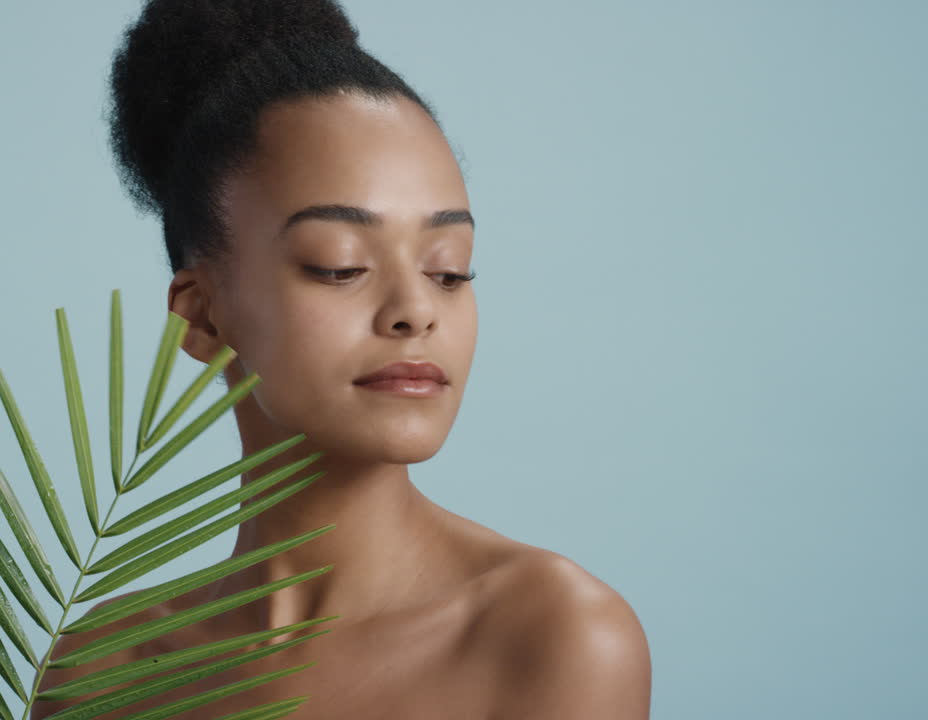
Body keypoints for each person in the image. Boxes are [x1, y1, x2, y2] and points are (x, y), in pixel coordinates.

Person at [35, 1, 651, 718]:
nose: (416, 310)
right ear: (201, 315)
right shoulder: (99, 669)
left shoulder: (554, 637)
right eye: (339, 265)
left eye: (448, 270)